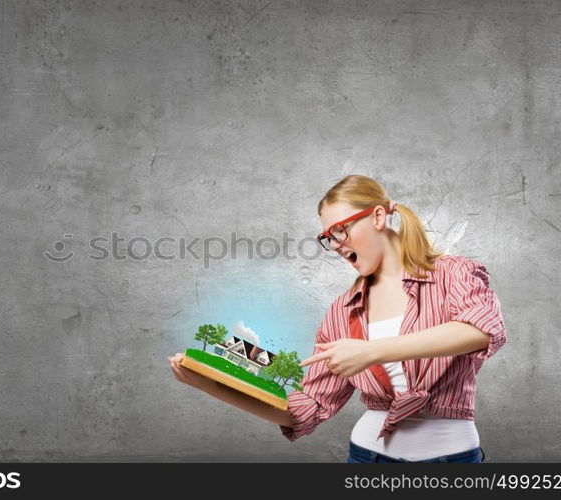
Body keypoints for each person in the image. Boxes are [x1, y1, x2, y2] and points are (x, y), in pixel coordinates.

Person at [168, 174, 506, 463]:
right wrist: (210, 383)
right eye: (328, 238)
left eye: (340, 230)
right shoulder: (342, 313)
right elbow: (306, 408)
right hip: (367, 457)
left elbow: (480, 329)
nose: (337, 245)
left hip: (451, 458)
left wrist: (372, 351)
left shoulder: (452, 273)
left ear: (377, 217)